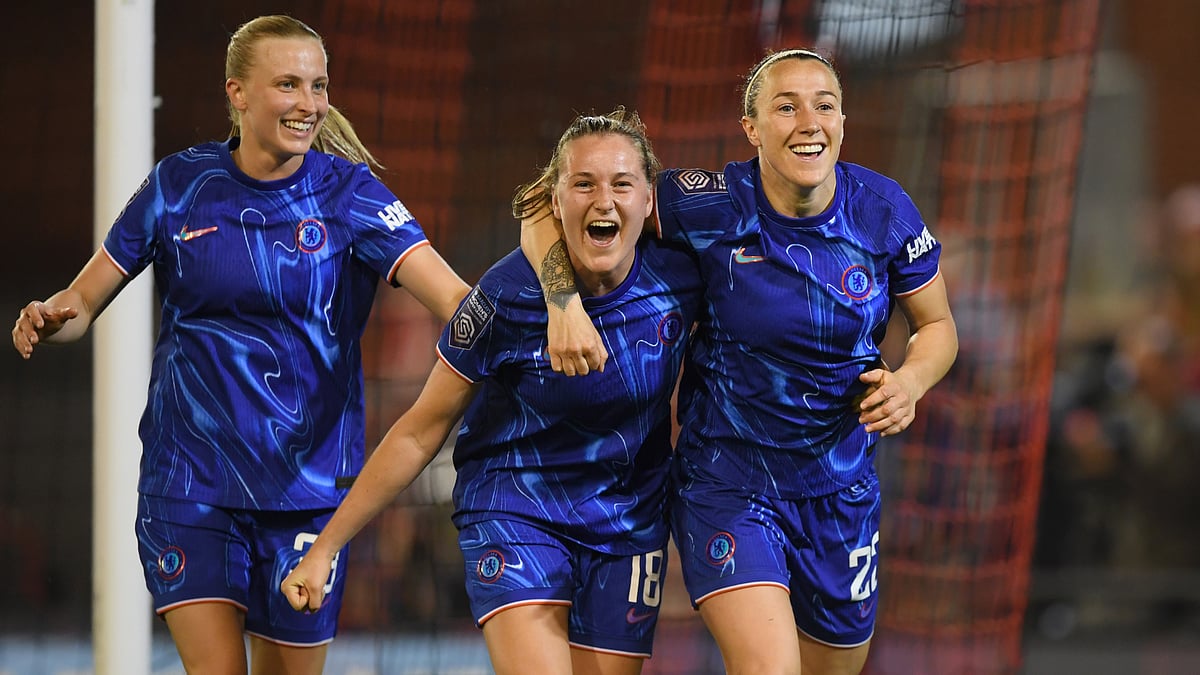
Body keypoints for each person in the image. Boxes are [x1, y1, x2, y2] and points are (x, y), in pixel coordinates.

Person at [11, 15, 469, 674]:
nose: (309, 103)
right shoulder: (178, 187)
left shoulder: (351, 196)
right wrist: (54, 315)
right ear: (238, 92)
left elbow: (456, 302)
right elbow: (83, 301)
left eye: (318, 85)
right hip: (190, 482)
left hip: (308, 492)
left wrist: (549, 311)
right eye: (288, 84)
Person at [521, 49, 959, 674]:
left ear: (842, 122)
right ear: (751, 128)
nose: (809, 122)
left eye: (824, 106)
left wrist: (911, 381)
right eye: (786, 107)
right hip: (727, 482)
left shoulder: (883, 212)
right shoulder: (709, 205)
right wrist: (562, 303)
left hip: (840, 488)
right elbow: (542, 203)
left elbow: (937, 327)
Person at [281, 108, 704, 675]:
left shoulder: (681, 275)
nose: (603, 201)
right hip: (515, 510)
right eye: (583, 184)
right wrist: (326, 547)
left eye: (622, 184)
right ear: (554, 202)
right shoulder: (503, 296)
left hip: (628, 519)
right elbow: (420, 430)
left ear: (650, 201)